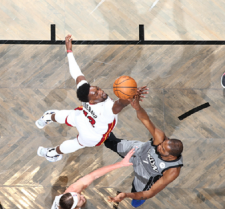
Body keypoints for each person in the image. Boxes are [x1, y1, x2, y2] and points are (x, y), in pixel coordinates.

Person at [36, 34, 147, 162]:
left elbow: (76, 73)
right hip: (93, 134)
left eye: (98, 89)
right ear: (91, 100)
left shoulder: (85, 92)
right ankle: (50, 152)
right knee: (77, 143)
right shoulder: (107, 109)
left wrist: (69, 51)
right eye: (96, 94)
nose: (101, 92)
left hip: (83, 117)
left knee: (66, 115)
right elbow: (121, 104)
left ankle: (46, 118)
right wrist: (131, 94)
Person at [105, 93, 183, 208]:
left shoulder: (172, 171)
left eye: (162, 149)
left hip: (145, 173)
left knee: (137, 197)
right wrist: (138, 108)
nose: (158, 146)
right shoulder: (160, 138)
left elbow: (150, 193)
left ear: (171, 157)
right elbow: (144, 119)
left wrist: (126, 195)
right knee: (109, 142)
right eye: (162, 144)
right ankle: (96, 128)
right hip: (138, 151)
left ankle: (135, 200)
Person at [41, 148, 135, 209]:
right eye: (80, 199)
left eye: (79, 195)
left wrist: (121, 164)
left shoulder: (71, 192)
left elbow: (93, 175)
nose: (82, 196)